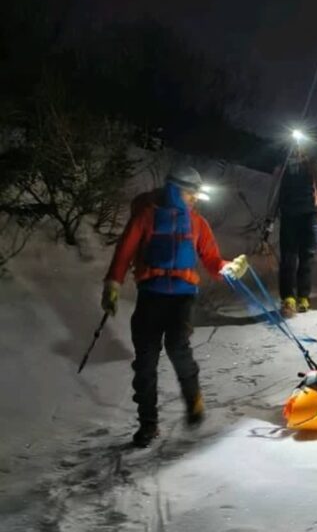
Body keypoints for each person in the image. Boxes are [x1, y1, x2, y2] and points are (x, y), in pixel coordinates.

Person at [101, 166, 248, 447]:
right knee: (145, 363)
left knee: (177, 347)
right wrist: (113, 285)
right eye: (191, 194)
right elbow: (124, 251)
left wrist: (231, 268)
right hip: (150, 297)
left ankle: (194, 400)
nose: (194, 199)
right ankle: (148, 424)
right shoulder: (146, 217)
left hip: (182, 298)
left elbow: (212, 260)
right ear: (177, 190)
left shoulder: (197, 223)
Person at [263, 146, 317, 317]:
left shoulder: (312, 162)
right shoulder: (283, 167)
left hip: (309, 214)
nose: (297, 150)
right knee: (288, 257)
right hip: (288, 216)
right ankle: (288, 297)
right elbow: (275, 193)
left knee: (307, 256)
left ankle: (303, 296)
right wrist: (269, 219)